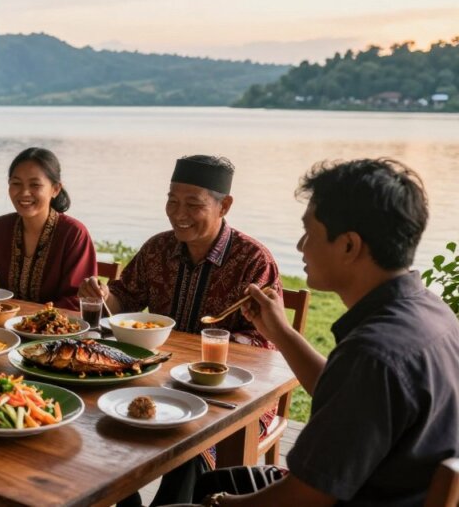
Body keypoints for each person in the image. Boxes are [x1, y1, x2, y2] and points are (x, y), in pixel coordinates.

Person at [194, 158, 459, 507]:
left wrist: (218, 503)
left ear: (349, 245)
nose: (301, 246)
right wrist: (280, 332)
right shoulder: (432, 313)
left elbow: (304, 497)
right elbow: (348, 397)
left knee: (207, 493)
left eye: (310, 232)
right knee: (209, 480)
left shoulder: (373, 353)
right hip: (382, 486)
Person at [78, 155, 282, 506]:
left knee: (192, 452)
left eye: (193, 203)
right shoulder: (158, 248)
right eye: (172, 200)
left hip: (231, 397)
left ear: (225, 205)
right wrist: (102, 295)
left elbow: (263, 348)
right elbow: (124, 299)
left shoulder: (253, 261)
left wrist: (204, 348)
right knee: (98, 429)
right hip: (158, 380)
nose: (178, 213)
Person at [0, 147, 96, 309]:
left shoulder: (73, 234)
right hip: (0, 328)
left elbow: (78, 300)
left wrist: (28, 318)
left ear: (55, 189)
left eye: (35, 185)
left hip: (58, 332)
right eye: (16, 183)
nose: (24, 192)